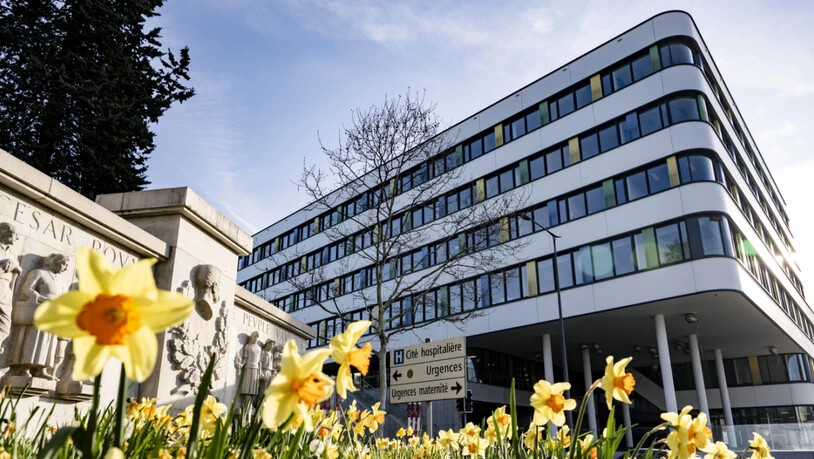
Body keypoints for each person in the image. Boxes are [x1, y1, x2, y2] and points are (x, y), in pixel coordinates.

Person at [9, 253, 69, 379]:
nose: (66, 268)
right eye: (64, 264)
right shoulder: (38, 273)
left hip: (52, 314)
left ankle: (41, 369)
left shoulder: (58, 280)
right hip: (37, 311)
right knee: (33, 339)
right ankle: (24, 368)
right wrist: (42, 299)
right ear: (55, 262)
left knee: (48, 342)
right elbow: (26, 289)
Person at [0, 223, 21, 348]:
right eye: (15, 235)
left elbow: (18, 269)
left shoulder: (11, 251)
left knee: (5, 325)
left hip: (5, 290)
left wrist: (15, 267)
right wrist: (4, 265)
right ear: (3, 233)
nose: (17, 238)